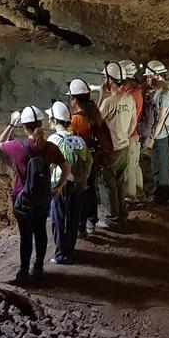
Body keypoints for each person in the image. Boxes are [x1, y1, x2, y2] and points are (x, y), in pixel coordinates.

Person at [0, 106, 66, 284]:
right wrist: (58, 186)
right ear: (41, 123)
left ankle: (23, 272)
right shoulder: (49, 147)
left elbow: (0, 143)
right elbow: (66, 167)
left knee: (26, 236)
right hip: (43, 197)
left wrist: (11, 124)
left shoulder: (18, 146)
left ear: (24, 126)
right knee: (40, 231)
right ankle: (38, 268)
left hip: (22, 197)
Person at [47, 101, 91, 264]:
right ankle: (70, 250)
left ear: (53, 120)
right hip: (78, 183)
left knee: (58, 217)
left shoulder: (53, 139)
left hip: (60, 183)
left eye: (49, 118)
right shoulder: (77, 137)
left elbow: (48, 165)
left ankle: (61, 255)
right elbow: (88, 160)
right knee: (73, 216)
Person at [67, 78, 109, 235]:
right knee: (90, 189)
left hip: (82, 160)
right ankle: (92, 221)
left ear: (74, 100)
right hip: (94, 157)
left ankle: (81, 226)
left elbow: (70, 142)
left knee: (80, 192)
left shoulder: (76, 119)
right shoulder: (93, 113)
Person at [96, 62, 136, 230]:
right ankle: (121, 214)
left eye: (105, 77)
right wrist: (124, 136)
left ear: (110, 80)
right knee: (120, 181)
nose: (104, 80)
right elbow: (134, 121)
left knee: (108, 183)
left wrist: (100, 95)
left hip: (111, 149)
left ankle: (113, 219)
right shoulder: (129, 98)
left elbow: (95, 122)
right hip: (125, 146)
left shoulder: (108, 102)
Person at [143, 60, 169, 202]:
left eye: (148, 77)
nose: (147, 80)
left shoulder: (165, 93)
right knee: (157, 164)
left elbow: (161, 118)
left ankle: (162, 197)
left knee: (162, 166)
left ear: (156, 75)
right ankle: (158, 195)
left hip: (161, 136)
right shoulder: (159, 91)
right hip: (159, 134)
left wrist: (152, 137)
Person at [119, 60, 145, 202]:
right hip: (135, 135)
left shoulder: (131, 95)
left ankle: (130, 197)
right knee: (135, 166)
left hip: (130, 134)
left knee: (129, 167)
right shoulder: (136, 91)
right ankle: (140, 196)